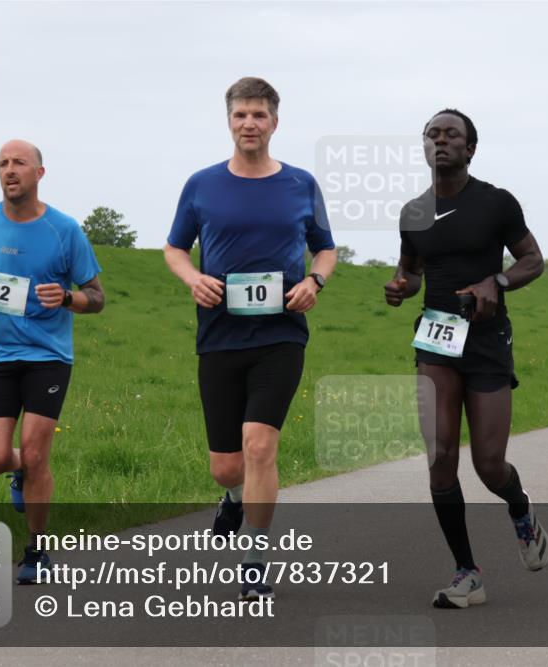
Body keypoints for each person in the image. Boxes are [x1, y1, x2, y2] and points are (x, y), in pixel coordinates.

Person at [163, 78, 337, 601]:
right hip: (219, 336)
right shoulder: (201, 185)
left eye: (259, 115)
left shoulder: (301, 184)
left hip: (281, 335)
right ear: (229, 121)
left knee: (260, 445)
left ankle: (255, 560)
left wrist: (314, 282)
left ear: (274, 123)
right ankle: (234, 497)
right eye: (241, 114)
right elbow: (174, 248)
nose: (249, 123)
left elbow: (325, 248)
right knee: (226, 466)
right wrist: (192, 278)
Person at [384, 108, 548, 609]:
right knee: (440, 458)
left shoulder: (496, 202)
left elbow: (533, 260)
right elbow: (412, 271)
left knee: (489, 464)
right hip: (436, 338)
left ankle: (520, 510)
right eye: (431, 134)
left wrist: (496, 282)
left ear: (470, 148)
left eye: (450, 134)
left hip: (486, 340)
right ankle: (467, 573)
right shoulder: (413, 212)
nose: (440, 140)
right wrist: (401, 286)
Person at [0, 140, 105, 584]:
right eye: (2, 163)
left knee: (38, 454)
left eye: (19, 162)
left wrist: (68, 298)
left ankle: (36, 552)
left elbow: (97, 297)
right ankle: (19, 470)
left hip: (47, 358)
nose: (9, 169)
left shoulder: (65, 230)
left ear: (39, 173)